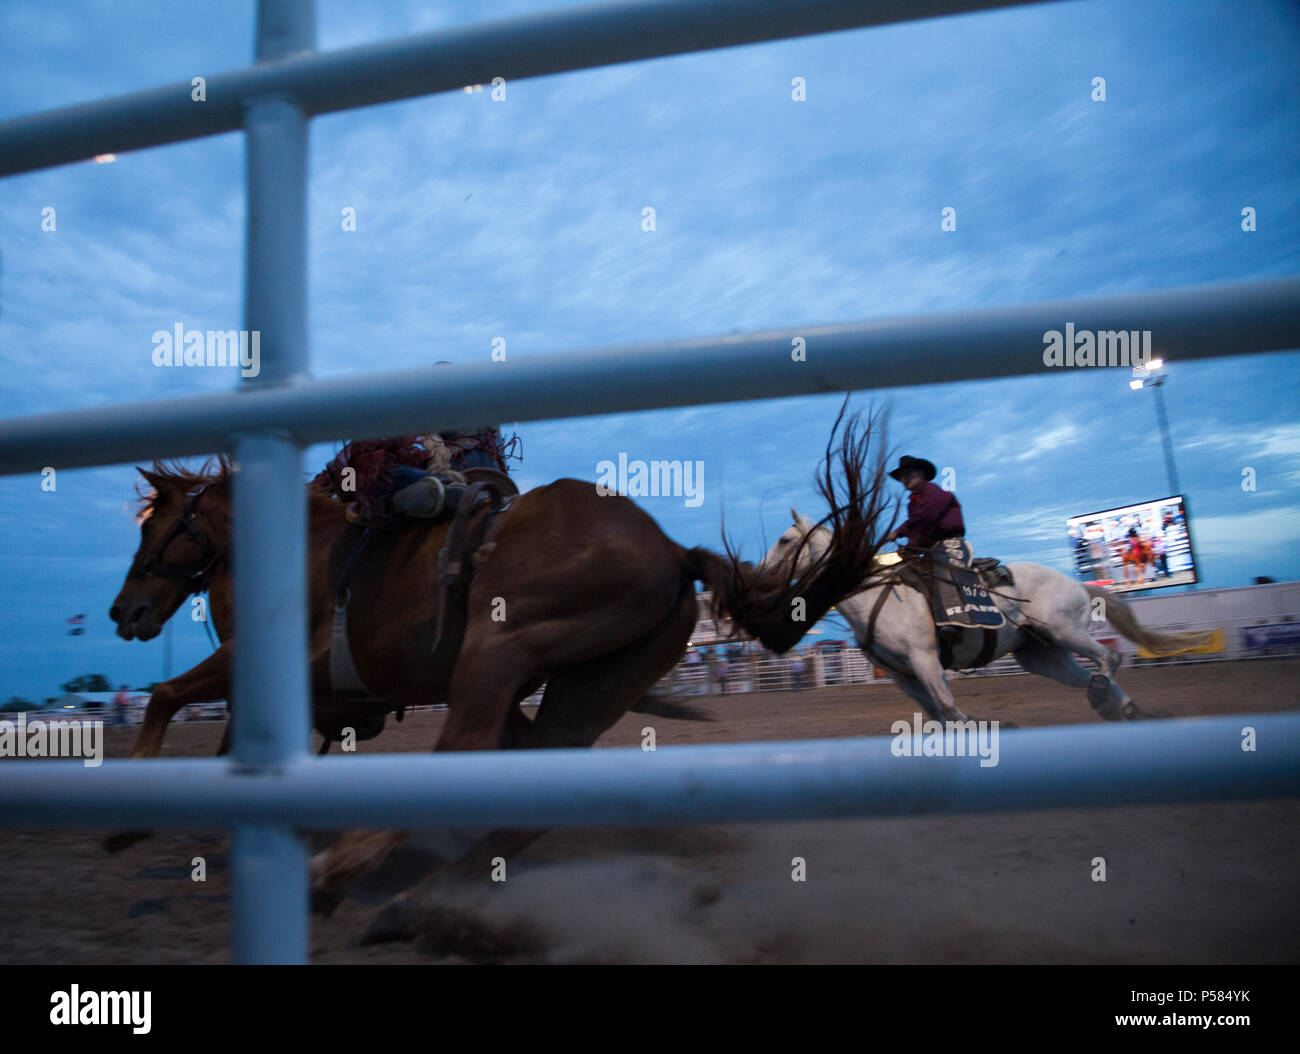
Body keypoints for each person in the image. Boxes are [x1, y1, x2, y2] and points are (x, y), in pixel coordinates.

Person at [882, 456, 964, 549]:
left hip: (951, 547)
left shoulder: (934, 491)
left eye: (908, 473)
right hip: (934, 550)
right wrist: (910, 548)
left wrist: (898, 532)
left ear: (921, 473)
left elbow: (927, 516)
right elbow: (919, 531)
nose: (904, 478)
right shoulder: (912, 504)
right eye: (901, 476)